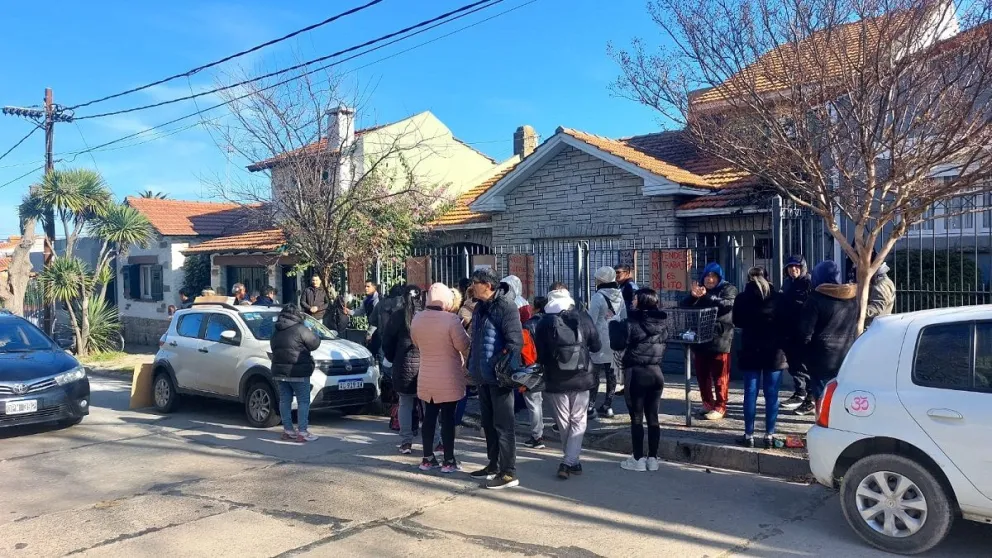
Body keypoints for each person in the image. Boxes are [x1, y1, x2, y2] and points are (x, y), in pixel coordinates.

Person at [466, 268, 523, 490]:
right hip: (483, 376)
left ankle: (508, 472)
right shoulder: (480, 307)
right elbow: (477, 340)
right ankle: (493, 465)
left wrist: (497, 364)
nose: (472, 285)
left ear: (488, 285)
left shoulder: (506, 307)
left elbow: (515, 343)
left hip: (500, 377)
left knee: (504, 425)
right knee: (488, 424)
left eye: (476, 282)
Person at [535, 289, 601, 479]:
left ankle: (569, 461)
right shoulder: (583, 317)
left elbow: (540, 353)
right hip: (582, 376)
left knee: (564, 421)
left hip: (555, 379)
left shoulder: (545, 321)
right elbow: (596, 345)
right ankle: (571, 461)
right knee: (578, 420)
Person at [411, 283, 471, 473]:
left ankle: (427, 458)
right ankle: (448, 460)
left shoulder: (417, 319)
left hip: (427, 376)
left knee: (429, 417)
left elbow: (416, 343)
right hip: (449, 378)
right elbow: (463, 345)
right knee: (447, 419)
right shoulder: (451, 320)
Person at [609, 288, 668, 472]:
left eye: (635, 298)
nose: (632, 301)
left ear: (641, 301)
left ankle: (638, 458)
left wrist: (612, 323)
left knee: (636, 417)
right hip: (656, 372)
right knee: (653, 417)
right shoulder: (662, 323)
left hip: (636, 372)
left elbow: (617, 343)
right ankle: (653, 458)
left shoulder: (631, 323)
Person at [732, 267, 787, 448]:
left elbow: (737, 321)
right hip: (774, 352)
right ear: (768, 277)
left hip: (751, 349)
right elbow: (785, 321)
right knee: (772, 395)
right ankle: (770, 435)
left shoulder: (741, 298)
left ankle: (749, 435)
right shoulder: (778, 297)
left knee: (750, 393)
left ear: (748, 279)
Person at [382, 285, 439, 455]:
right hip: (426, 365)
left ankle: (406, 442)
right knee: (429, 406)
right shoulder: (428, 316)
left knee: (405, 404)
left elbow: (387, 342)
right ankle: (436, 441)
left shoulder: (398, 316)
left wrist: (394, 358)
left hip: (403, 366)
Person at [799, 260, 858, 416]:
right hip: (845, 353)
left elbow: (805, 332)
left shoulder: (815, 299)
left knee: (822, 396)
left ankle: (824, 425)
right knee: (840, 394)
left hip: (820, 356)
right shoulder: (851, 298)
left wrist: (804, 352)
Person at [680, 262, 737, 420]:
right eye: (707, 276)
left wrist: (707, 296)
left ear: (719, 277)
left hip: (720, 338)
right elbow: (684, 306)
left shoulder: (728, 289)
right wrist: (693, 296)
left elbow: (727, 305)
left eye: (713, 276)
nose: (709, 280)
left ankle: (720, 406)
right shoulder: (699, 290)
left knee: (720, 375)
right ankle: (707, 403)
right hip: (701, 338)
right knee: (702, 373)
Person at [270, 304, 321, 443]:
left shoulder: (276, 330)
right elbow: (314, 343)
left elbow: (272, 346)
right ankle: (302, 431)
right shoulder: (300, 328)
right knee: (303, 400)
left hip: (279, 371)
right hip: (298, 371)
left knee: (285, 400)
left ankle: (288, 430)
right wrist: (313, 331)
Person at [779, 256, 814, 415]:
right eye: (790, 267)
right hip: (788, 329)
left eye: (796, 266)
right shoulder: (787, 283)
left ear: (802, 267)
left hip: (803, 330)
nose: (793, 269)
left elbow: (810, 306)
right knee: (793, 365)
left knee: (805, 365)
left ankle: (810, 396)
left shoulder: (808, 283)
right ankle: (799, 393)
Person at [588, 266, 625, 419]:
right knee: (612, 375)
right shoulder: (619, 294)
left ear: (602, 279)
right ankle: (608, 406)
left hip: (600, 339)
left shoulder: (598, 296)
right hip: (615, 338)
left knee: (593, 374)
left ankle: (590, 406)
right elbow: (623, 316)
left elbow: (591, 320)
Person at [520, 295, 548, 449]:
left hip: (533, 365)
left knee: (534, 402)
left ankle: (537, 436)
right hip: (551, 365)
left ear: (535, 307)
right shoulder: (554, 322)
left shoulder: (528, 325)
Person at [864, 260, 896, 327]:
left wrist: (858, 312)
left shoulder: (881, 284)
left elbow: (877, 307)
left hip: (876, 326)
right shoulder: (880, 282)